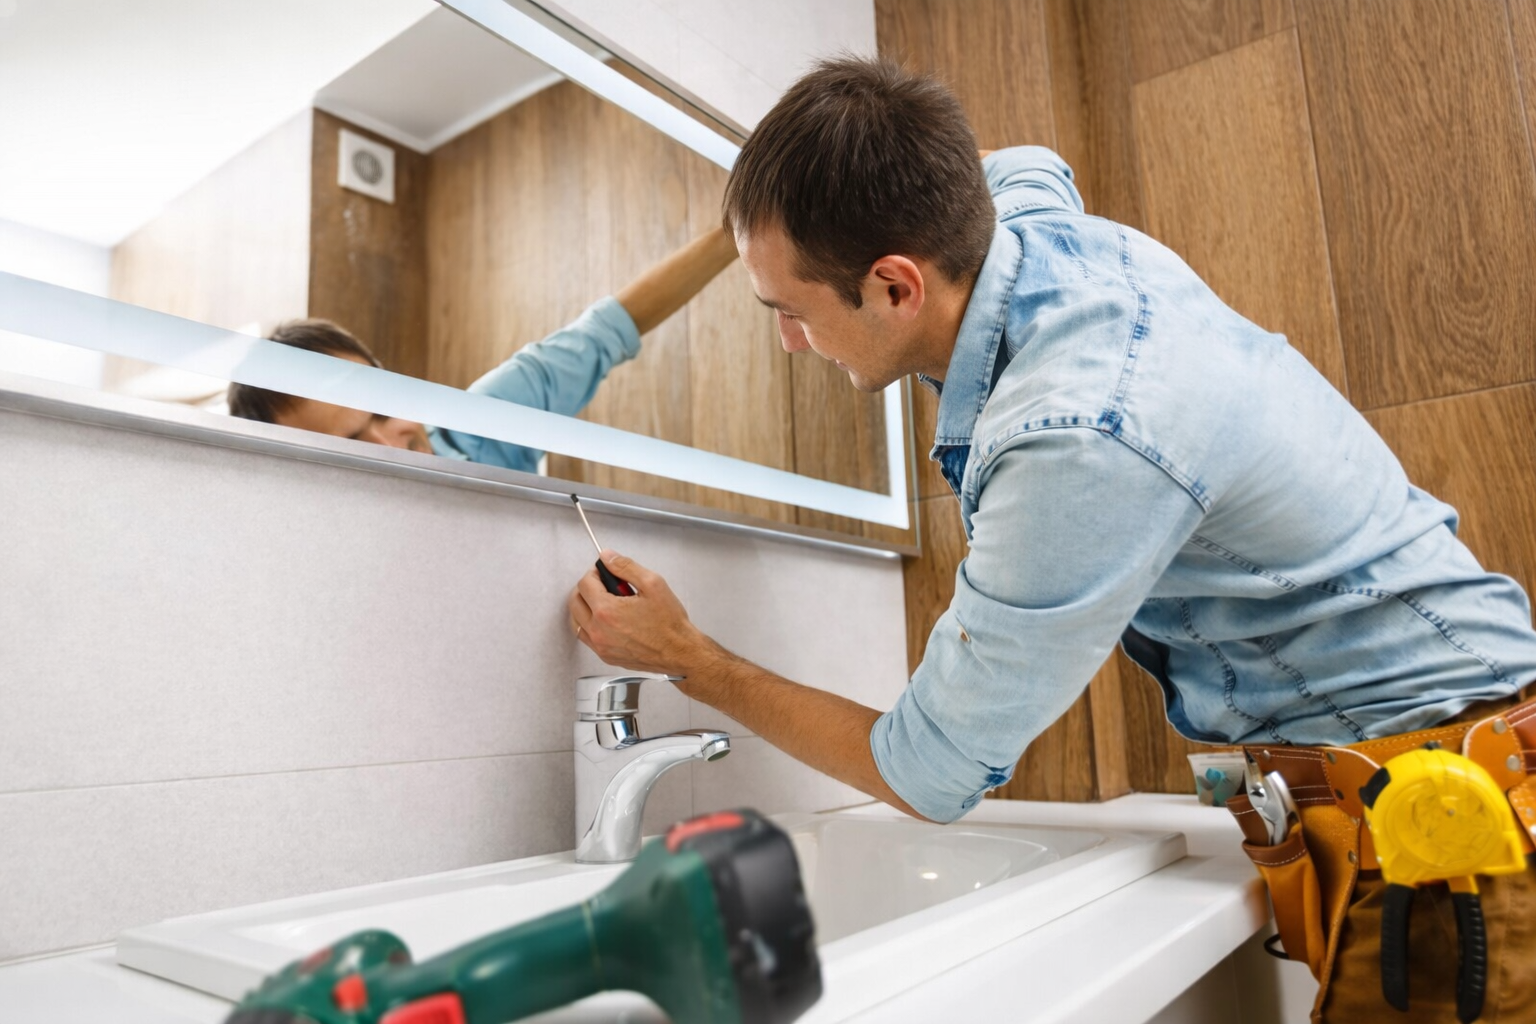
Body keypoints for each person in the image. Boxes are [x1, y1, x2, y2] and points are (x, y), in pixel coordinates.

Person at [566, 58, 1536, 1021]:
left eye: (788, 310)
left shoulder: (1075, 436)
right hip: (1411, 787)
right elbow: (1026, 160)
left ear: (896, 286)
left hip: (1446, 830)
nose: (788, 340)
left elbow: (927, 772)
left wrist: (690, 659)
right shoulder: (1016, 223)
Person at [228, 226, 738, 472]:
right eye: (350, 444)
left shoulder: (480, 428)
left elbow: (604, 332)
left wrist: (737, 231)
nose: (391, 445)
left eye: (383, 410)